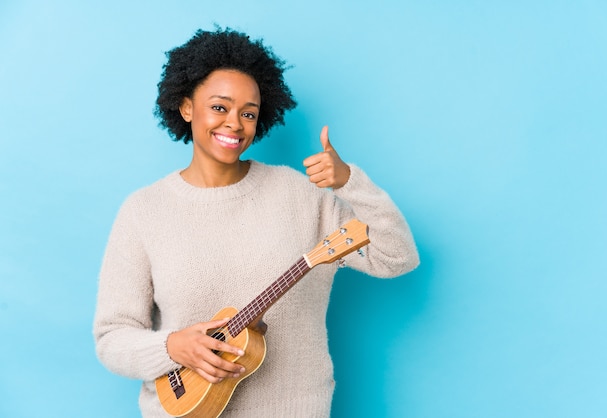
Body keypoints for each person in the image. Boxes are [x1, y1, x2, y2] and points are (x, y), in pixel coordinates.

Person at [93, 27, 419, 418]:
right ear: (186, 108)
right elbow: (112, 338)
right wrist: (172, 347)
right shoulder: (143, 210)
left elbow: (396, 258)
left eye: (248, 113)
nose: (235, 123)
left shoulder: (300, 195)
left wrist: (350, 182)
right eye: (219, 107)